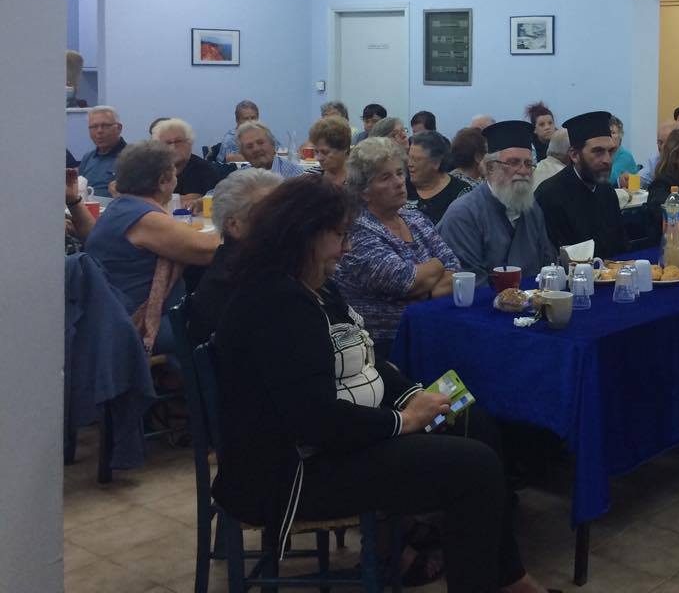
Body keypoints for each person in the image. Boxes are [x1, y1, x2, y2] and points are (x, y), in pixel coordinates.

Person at [211, 176, 551, 593]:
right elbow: (315, 420)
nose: (347, 248)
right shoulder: (277, 304)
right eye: (340, 236)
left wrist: (414, 395)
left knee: (471, 420)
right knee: (473, 467)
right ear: (305, 236)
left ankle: (507, 576)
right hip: (290, 473)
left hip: (328, 444)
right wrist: (404, 421)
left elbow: (364, 359)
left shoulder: (314, 287)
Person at [83, 141, 219, 353]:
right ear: (163, 181)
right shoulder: (142, 218)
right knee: (230, 321)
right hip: (137, 324)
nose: (177, 179)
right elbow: (210, 251)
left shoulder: (122, 208)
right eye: (174, 173)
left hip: (110, 315)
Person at [333, 138, 459, 355]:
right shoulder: (356, 229)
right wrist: (437, 266)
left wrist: (424, 294)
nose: (399, 182)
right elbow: (403, 281)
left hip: (432, 331)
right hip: (382, 347)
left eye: (400, 173)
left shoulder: (415, 218)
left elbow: (455, 269)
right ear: (364, 191)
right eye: (385, 177)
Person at [438, 120, 557, 286]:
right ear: (490, 168)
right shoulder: (463, 214)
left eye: (528, 164)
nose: (523, 171)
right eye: (513, 163)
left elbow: (547, 264)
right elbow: (471, 283)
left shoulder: (532, 209)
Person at [187, 168, 282, 346]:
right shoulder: (244, 283)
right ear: (234, 225)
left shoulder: (269, 264)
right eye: (270, 211)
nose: (285, 218)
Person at [534, 111, 625, 257]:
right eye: (598, 152)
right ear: (574, 155)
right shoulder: (549, 195)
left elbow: (621, 246)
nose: (607, 160)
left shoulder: (607, 191)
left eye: (610, 151)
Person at [152, 117, 221, 206]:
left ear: (190, 143)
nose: (173, 147)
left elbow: (193, 201)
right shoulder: (151, 169)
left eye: (178, 141)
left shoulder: (203, 169)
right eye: (167, 143)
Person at [407, 131, 472, 224]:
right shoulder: (401, 187)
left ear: (436, 162)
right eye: (409, 157)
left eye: (416, 159)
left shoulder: (461, 193)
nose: (410, 164)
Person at [80, 105, 127, 197]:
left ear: (119, 128)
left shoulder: (133, 157)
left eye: (105, 126)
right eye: (94, 127)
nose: (99, 131)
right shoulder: (88, 158)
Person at [237, 121, 310, 178]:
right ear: (243, 155)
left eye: (260, 142)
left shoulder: (295, 174)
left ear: (273, 145)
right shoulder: (239, 178)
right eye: (249, 146)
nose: (256, 149)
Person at [308, 116, 352, 187]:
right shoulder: (310, 177)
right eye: (316, 152)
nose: (318, 158)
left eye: (325, 152)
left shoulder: (358, 181)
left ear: (344, 149)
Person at [635, 120, 677, 189]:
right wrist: (627, 180)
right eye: (660, 142)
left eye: (667, 143)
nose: (662, 147)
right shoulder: (655, 161)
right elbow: (640, 179)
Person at [608, 116, 638, 185]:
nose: (609, 136)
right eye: (607, 133)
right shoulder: (606, 154)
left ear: (620, 135)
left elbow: (609, 179)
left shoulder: (626, 156)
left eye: (613, 133)